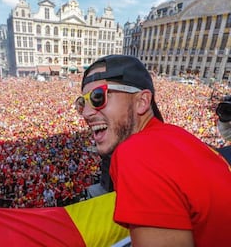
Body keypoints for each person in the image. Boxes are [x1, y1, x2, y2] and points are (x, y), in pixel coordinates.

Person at [75, 54, 231, 246]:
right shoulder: (179, 137)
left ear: (142, 101)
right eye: (82, 103)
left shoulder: (137, 154)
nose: (86, 113)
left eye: (98, 97)